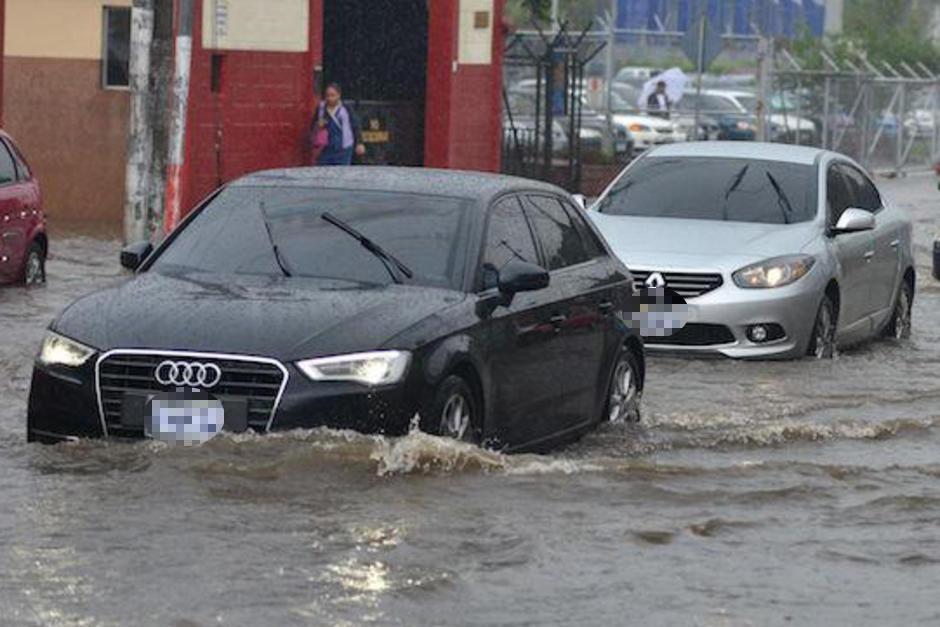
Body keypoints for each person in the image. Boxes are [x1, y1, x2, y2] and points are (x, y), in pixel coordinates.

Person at [313, 83, 366, 166]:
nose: (330, 98)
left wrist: (360, 143)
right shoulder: (321, 108)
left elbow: (355, 125)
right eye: (327, 95)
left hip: (344, 147)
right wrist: (318, 125)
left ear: (339, 95)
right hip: (326, 147)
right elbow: (313, 125)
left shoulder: (346, 108)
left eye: (332, 95)